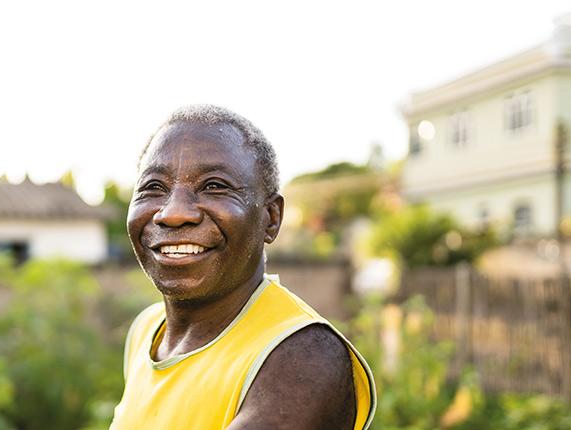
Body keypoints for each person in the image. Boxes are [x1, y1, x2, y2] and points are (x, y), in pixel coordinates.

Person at [109, 104, 375, 430]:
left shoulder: (301, 358)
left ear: (271, 218)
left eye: (214, 185)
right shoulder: (147, 330)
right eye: (153, 187)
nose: (173, 213)